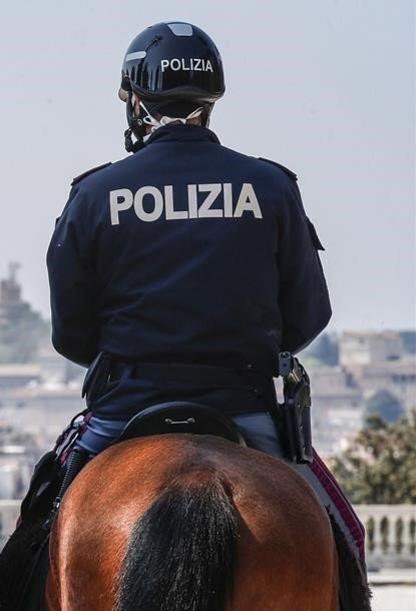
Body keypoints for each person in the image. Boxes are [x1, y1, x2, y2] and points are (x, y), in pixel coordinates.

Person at [45, 21, 363, 559]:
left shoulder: (95, 193)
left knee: (33, 544)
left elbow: (70, 334)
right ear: (211, 99)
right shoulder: (270, 186)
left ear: (136, 101)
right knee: (345, 541)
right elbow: (309, 313)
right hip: (244, 405)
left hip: (126, 405)